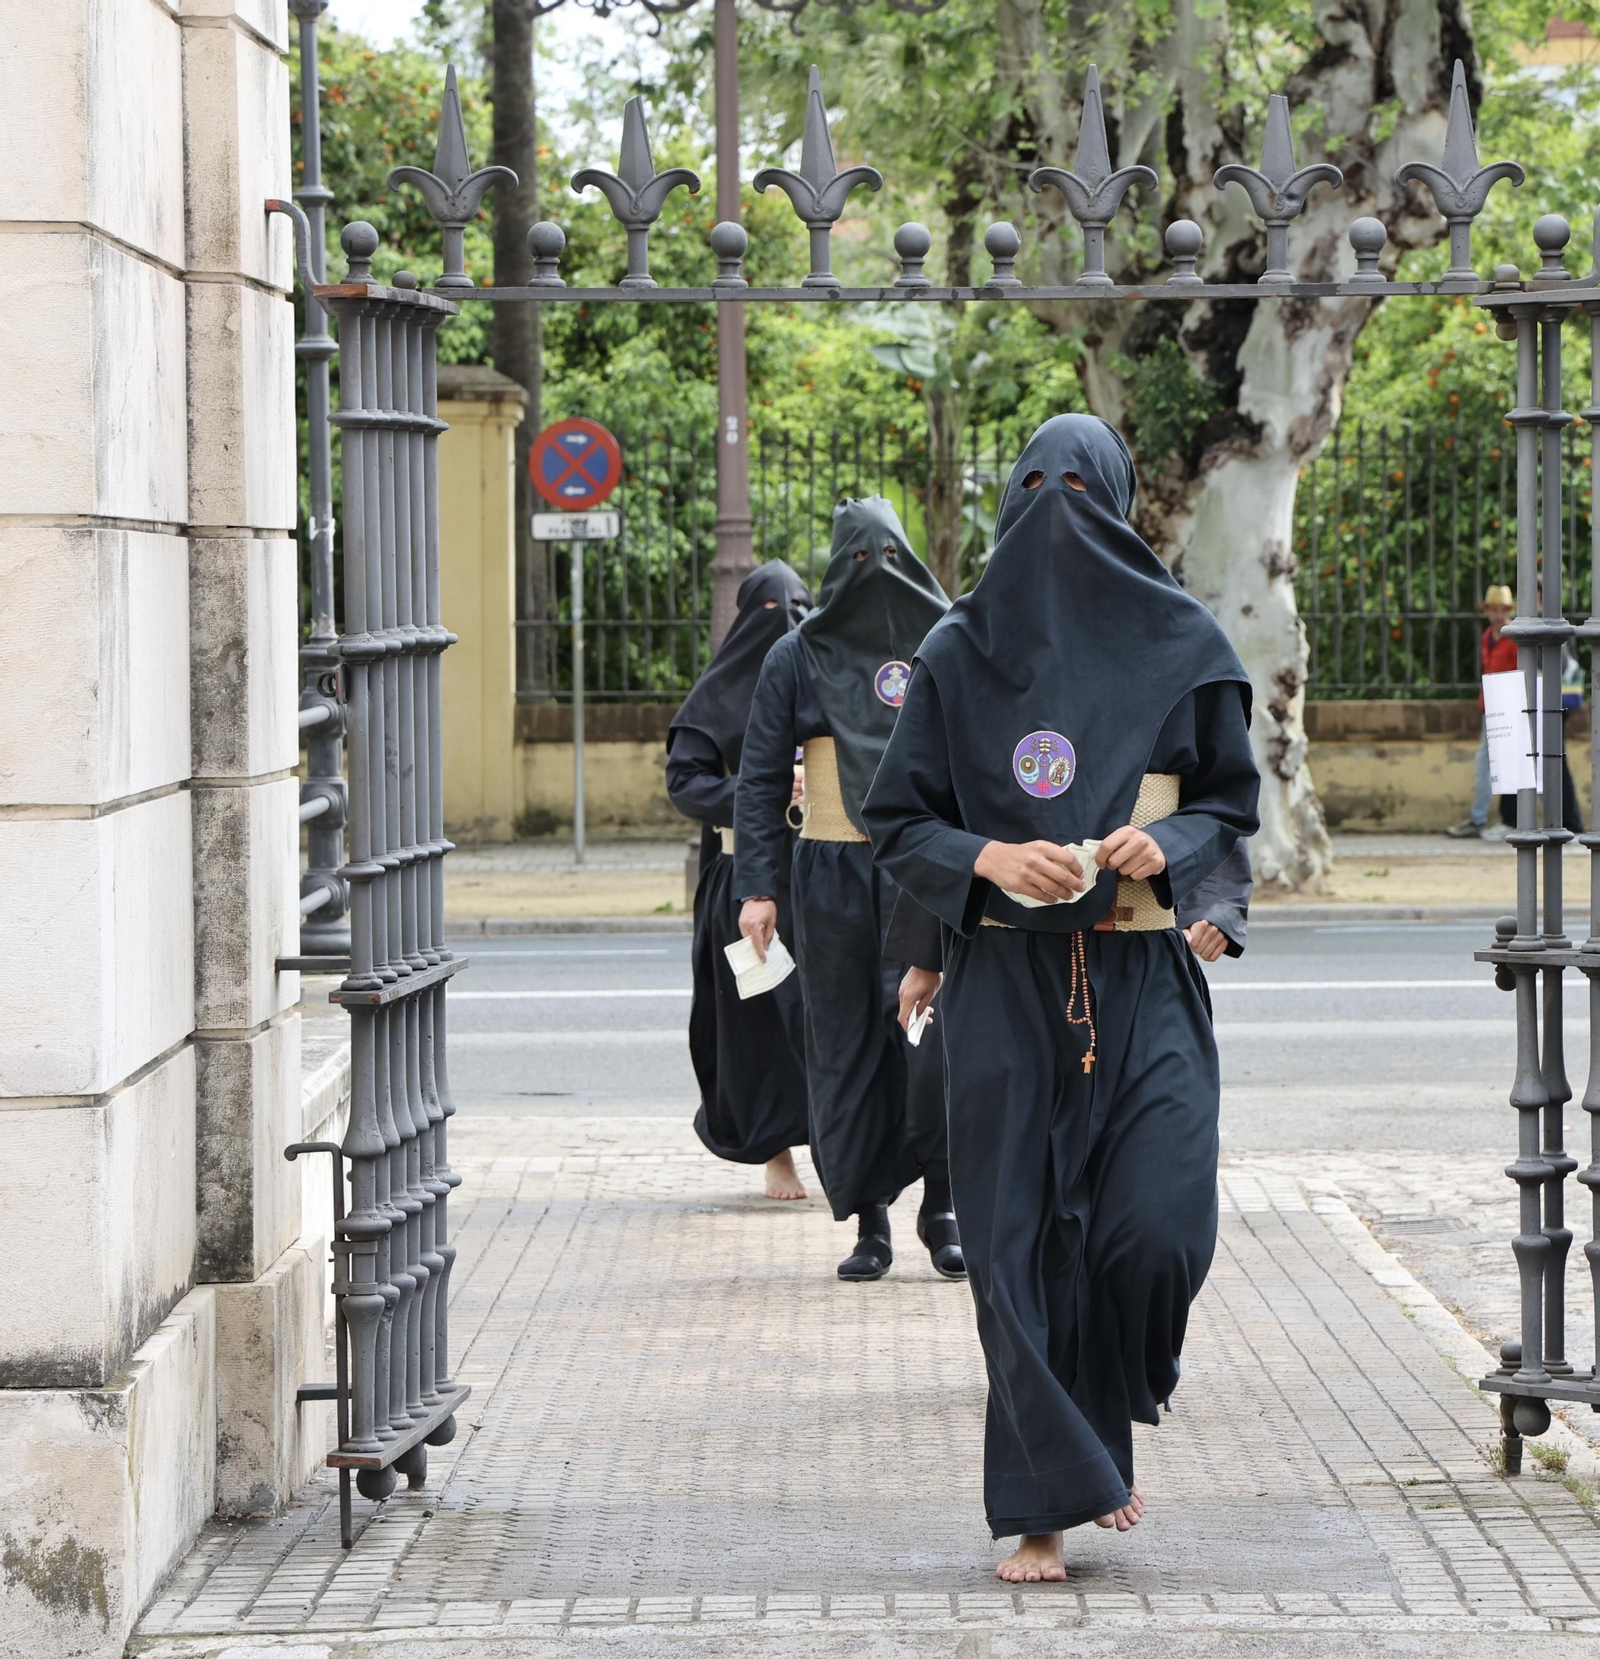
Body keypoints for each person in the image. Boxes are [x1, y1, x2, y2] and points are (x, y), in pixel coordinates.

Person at [862, 415, 1260, 1581]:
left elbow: (1227, 806)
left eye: (1076, 486)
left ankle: (1104, 1414)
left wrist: (1167, 848)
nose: (1052, 506)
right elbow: (900, 819)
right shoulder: (955, 649)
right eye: (1030, 483)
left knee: (1156, 1229)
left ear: (1120, 496)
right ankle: (1046, 1503)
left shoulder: (1184, 642)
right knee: (1014, 1242)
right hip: (1006, 986)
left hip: (1142, 978)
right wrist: (986, 862)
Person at [733, 497, 962, 1282]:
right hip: (827, 874)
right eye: (860, 562)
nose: (876, 577)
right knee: (843, 1045)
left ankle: (942, 1203)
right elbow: (760, 778)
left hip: (921, 871)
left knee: (928, 1040)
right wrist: (758, 887)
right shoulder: (795, 656)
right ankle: (868, 1217)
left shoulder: (947, 640)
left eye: (890, 558)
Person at [666, 561, 813, 1200]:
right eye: (775, 613)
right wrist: (758, 791)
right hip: (742, 882)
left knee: (825, 1016)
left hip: (819, 873)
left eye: (802, 610)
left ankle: (838, 1144)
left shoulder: (824, 679)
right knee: (756, 1020)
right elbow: (686, 783)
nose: (791, 626)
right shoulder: (717, 694)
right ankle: (773, 1151)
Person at [1447, 585, 1516, 841]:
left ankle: (1485, 818)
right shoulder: (1487, 637)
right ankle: (1486, 817)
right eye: (1494, 610)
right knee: (1489, 764)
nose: (1498, 615)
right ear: (1487, 612)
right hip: (1491, 706)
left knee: (1495, 764)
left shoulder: (1514, 638)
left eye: (1502, 610)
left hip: (1508, 706)